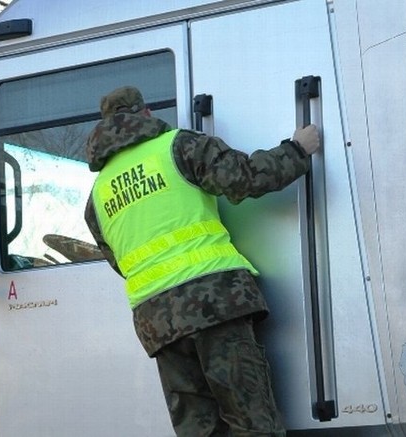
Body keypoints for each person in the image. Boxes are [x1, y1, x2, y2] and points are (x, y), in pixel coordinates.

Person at [84, 86, 320, 437]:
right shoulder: (178, 146)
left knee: (200, 431)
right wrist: (298, 148)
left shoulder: (96, 199)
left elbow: (121, 263)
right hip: (216, 305)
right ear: (145, 114)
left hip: (158, 325)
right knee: (253, 423)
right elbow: (247, 179)